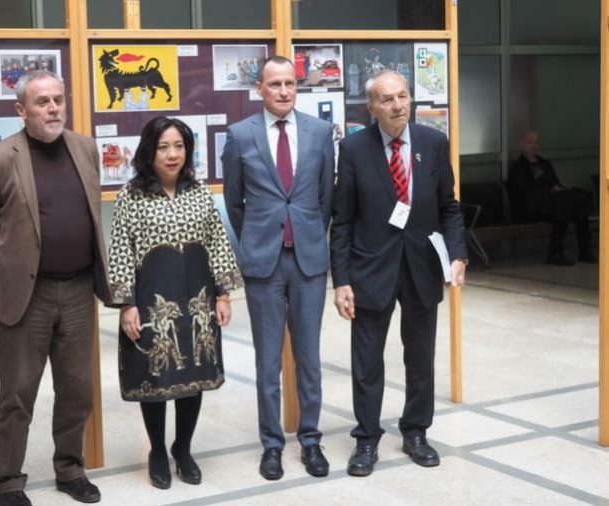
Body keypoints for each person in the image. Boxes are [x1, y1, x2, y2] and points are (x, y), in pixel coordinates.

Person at [0, 70, 109, 506]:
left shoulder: (85, 148)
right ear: (21, 109)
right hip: (28, 296)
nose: (53, 109)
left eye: (58, 100)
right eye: (42, 102)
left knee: (77, 389)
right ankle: (9, 480)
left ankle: (70, 468)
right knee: (18, 394)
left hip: (79, 290)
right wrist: (18, 265)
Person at [329, 70, 467, 477]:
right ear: (371, 106)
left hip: (422, 265)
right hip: (371, 268)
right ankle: (366, 439)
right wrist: (341, 280)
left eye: (403, 96)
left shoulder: (433, 143)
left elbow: (449, 207)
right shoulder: (353, 149)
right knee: (367, 359)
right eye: (387, 99)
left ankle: (416, 432)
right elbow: (343, 220)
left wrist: (457, 254)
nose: (397, 106)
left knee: (421, 356)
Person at [107, 116, 243, 490]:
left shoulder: (199, 192)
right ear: (149, 151)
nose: (172, 154)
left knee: (192, 374)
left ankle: (182, 448)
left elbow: (217, 242)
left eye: (179, 146)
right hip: (152, 301)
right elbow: (120, 250)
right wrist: (126, 304)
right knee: (155, 375)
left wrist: (223, 294)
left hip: (197, 299)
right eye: (163, 147)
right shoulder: (131, 195)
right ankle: (156, 450)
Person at [222, 55, 335, 481]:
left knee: (309, 358)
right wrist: (257, 237)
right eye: (275, 84)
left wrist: (308, 232)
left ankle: (311, 440)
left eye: (290, 83)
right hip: (263, 263)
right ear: (260, 89)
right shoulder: (240, 135)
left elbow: (325, 198)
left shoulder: (320, 132)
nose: (284, 91)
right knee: (267, 360)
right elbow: (234, 201)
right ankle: (271, 445)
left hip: (308, 259)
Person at [507, 131, 595, 265]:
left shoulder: (545, 164)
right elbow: (520, 192)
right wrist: (548, 191)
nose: (533, 146)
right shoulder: (518, 167)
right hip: (533, 205)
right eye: (530, 143)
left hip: (552, 203)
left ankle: (565, 252)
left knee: (575, 206)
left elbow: (555, 183)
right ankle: (573, 251)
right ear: (522, 145)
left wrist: (557, 188)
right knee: (566, 207)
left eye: (536, 143)